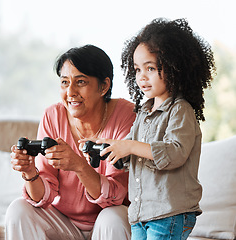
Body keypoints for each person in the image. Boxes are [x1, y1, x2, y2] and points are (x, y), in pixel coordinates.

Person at [96, 18, 216, 240]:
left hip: (169, 213)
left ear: (174, 67)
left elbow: (174, 153)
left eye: (150, 68)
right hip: (142, 213)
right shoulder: (143, 112)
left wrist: (130, 145)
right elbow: (130, 155)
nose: (142, 76)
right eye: (137, 69)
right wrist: (108, 148)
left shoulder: (180, 110)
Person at [5, 44, 136, 240]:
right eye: (64, 82)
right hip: (64, 222)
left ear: (104, 86)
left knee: (113, 218)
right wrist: (30, 173)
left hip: (109, 218)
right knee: (19, 209)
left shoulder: (126, 115)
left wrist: (79, 166)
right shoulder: (52, 115)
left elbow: (116, 196)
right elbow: (43, 196)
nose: (71, 92)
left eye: (80, 82)